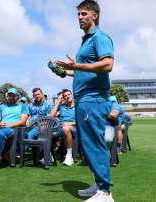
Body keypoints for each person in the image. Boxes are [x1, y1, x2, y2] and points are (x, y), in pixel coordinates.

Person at [54, 1, 115, 201]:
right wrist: (66, 72)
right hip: (84, 100)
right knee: (88, 145)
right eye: (78, 14)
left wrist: (77, 65)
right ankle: (99, 184)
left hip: (93, 100)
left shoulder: (100, 37)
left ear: (94, 15)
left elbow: (107, 65)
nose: (79, 17)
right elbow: (84, 71)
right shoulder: (86, 41)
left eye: (83, 13)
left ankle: (105, 192)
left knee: (94, 145)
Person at [50, 89, 76, 166]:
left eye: (69, 94)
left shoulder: (77, 106)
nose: (67, 97)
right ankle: (48, 155)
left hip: (74, 128)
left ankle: (69, 156)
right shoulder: (62, 106)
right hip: (60, 128)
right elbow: (51, 115)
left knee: (65, 128)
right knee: (45, 130)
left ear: (72, 95)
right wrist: (58, 102)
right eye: (65, 96)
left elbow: (80, 121)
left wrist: (68, 123)